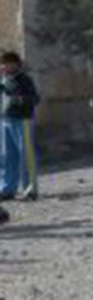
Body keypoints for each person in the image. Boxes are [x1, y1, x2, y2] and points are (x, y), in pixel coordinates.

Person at [0, 50, 38, 203]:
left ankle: (30, 189)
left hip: (22, 120)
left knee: (25, 156)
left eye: (7, 62)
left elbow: (35, 98)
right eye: (3, 63)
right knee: (7, 156)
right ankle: (7, 189)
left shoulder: (24, 80)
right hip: (5, 121)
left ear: (16, 64)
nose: (4, 66)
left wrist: (17, 99)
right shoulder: (3, 80)